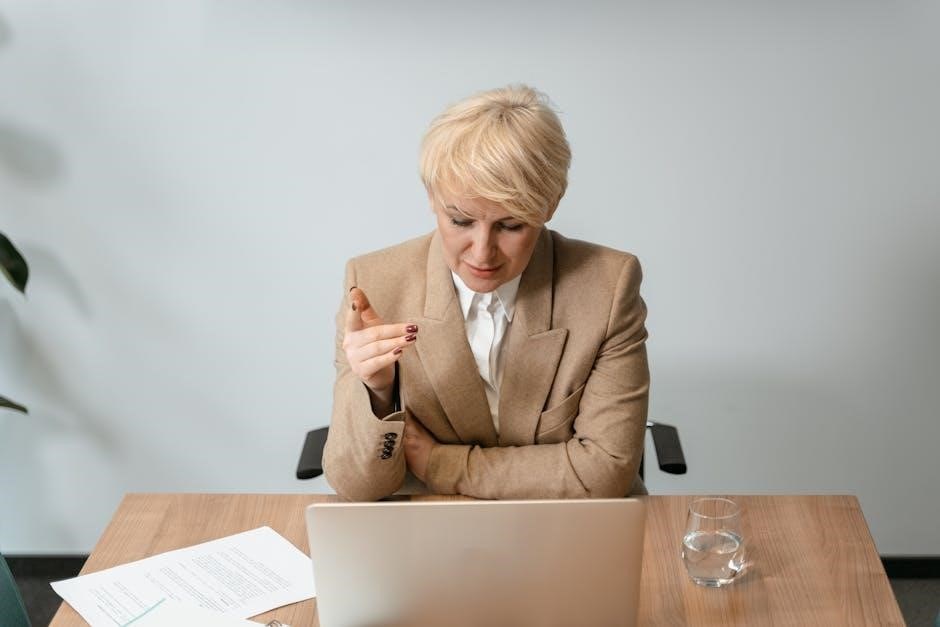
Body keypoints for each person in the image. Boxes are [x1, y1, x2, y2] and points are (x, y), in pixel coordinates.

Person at [323, 85, 649, 501]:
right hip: (427, 522)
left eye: (511, 225)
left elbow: (606, 472)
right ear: (432, 198)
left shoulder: (608, 285)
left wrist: (438, 463)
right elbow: (357, 488)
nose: (482, 252)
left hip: (563, 521)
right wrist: (377, 392)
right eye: (460, 221)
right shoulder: (374, 283)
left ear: (550, 205)